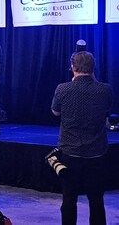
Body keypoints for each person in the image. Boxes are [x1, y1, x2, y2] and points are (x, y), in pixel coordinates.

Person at [51, 51, 113, 225]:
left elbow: (55, 112)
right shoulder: (105, 90)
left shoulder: (63, 88)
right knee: (96, 200)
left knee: (69, 199)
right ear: (93, 68)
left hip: (70, 153)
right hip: (96, 153)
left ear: (73, 67)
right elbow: (107, 110)